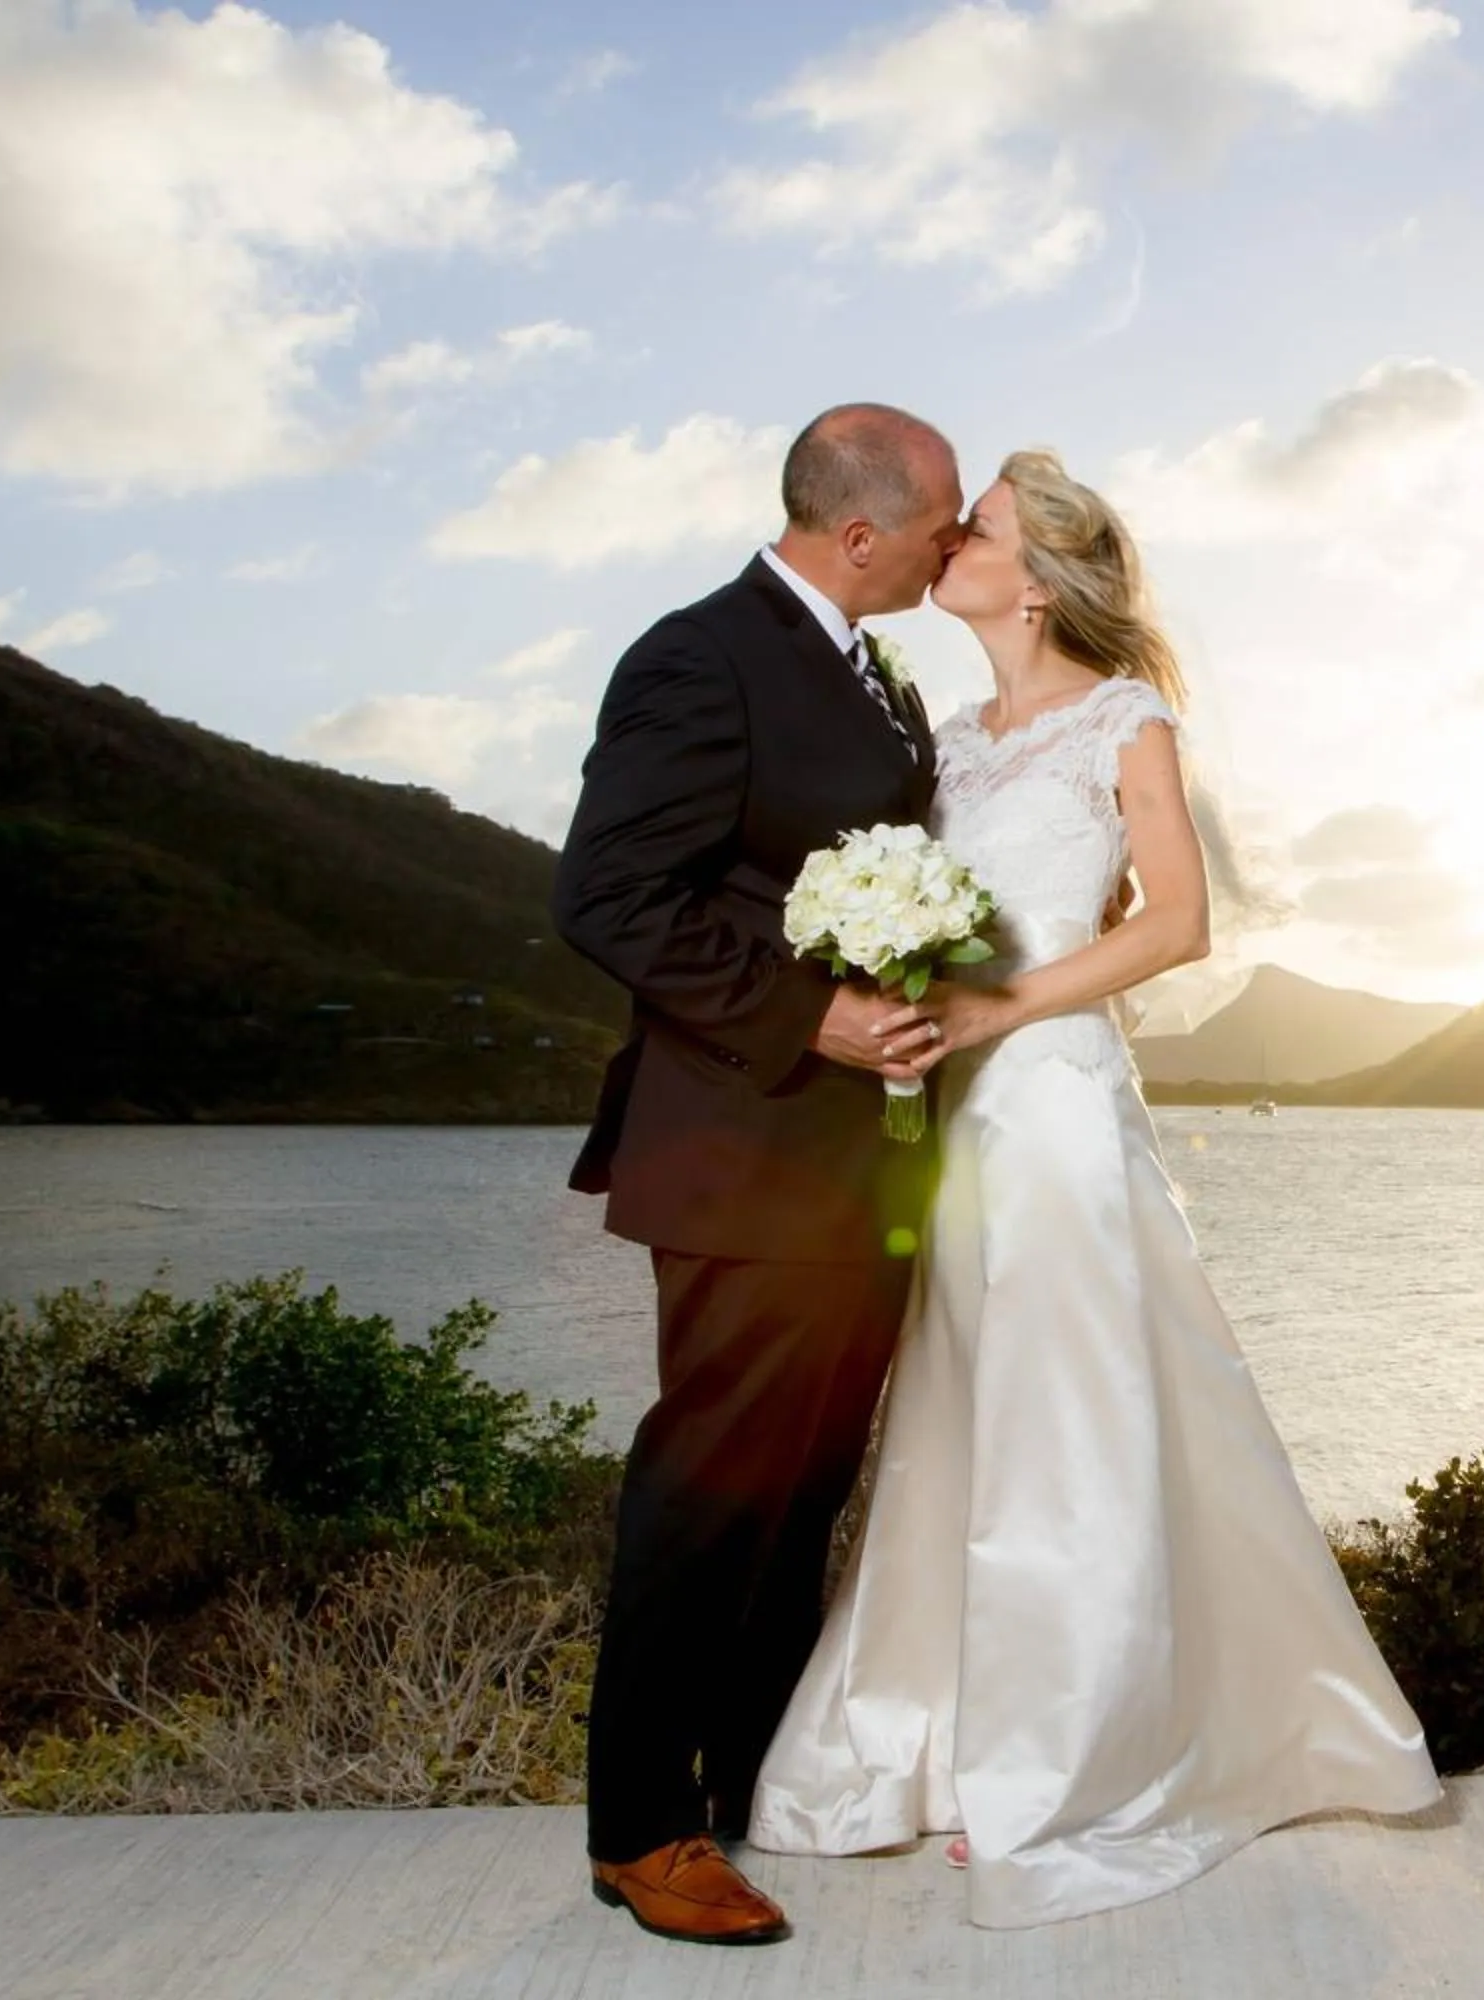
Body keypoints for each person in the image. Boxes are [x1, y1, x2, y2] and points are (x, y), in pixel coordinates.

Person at [749, 450, 1442, 1927]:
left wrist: (1013, 1009)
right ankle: (934, 1741)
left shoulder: (1127, 718)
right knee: (962, 1413)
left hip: (1052, 1107)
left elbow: (1179, 923)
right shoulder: (943, 735)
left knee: (1068, 1421)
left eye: (977, 527)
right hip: (945, 1124)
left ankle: (1065, 1763)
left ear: (1043, 573)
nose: (949, 540)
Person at [554, 404, 974, 1947]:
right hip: (740, 1148)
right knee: (707, 1489)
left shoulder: (877, 670)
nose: (954, 544)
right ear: (860, 532)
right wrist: (817, 1016)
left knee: (804, 1492)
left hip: (857, 1166)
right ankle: (641, 1831)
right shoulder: (702, 655)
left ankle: (752, 1786)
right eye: (938, 521)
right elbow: (606, 893)